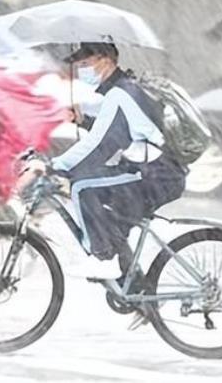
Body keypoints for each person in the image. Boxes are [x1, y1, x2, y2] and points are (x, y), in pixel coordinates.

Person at [25, 42, 186, 286]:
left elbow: (101, 145)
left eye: (86, 64)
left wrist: (54, 165)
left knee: (83, 187)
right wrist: (83, 121)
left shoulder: (121, 93)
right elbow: (118, 132)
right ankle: (138, 292)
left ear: (107, 60)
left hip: (156, 174)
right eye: (79, 66)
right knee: (109, 220)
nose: (83, 71)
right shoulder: (124, 90)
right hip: (156, 170)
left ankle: (104, 259)